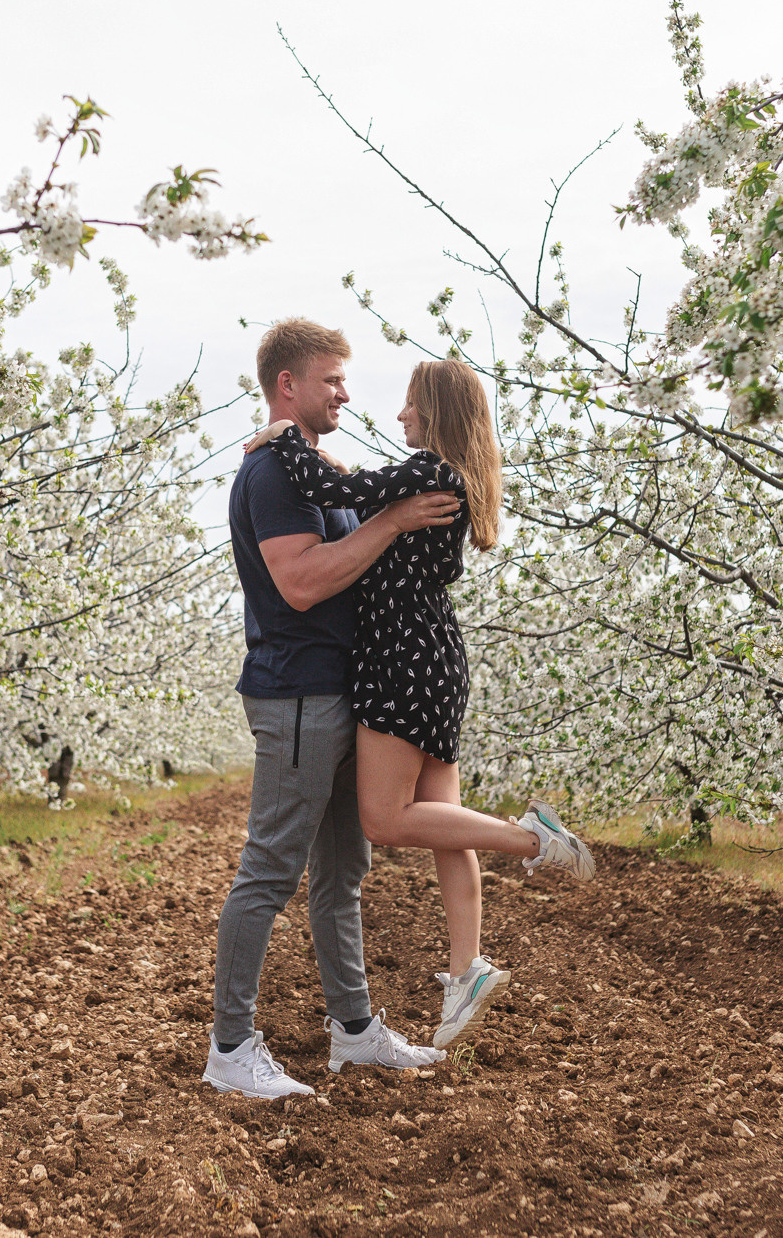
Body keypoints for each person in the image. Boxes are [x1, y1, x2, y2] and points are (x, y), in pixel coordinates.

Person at [246, 357, 596, 1053]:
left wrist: (281, 434)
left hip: (401, 660)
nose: (399, 416)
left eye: (409, 405)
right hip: (435, 656)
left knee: (385, 817)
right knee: (446, 826)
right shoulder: (450, 475)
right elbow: (361, 490)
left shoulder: (430, 471)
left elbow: (330, 485)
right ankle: (467, 968)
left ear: (434, 410)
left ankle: (533, 837)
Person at [205, 318, 456, 1100]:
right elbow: (304, 581)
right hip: (299, 692)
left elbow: (352, 506)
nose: (348, 392)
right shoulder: (274, 475)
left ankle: (353, 1032)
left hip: (344, 691)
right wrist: (390, 522)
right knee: (271, 868)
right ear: (289, 385)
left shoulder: (306, 462)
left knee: (342, 872)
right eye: (332, 380)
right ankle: (230, 1047)